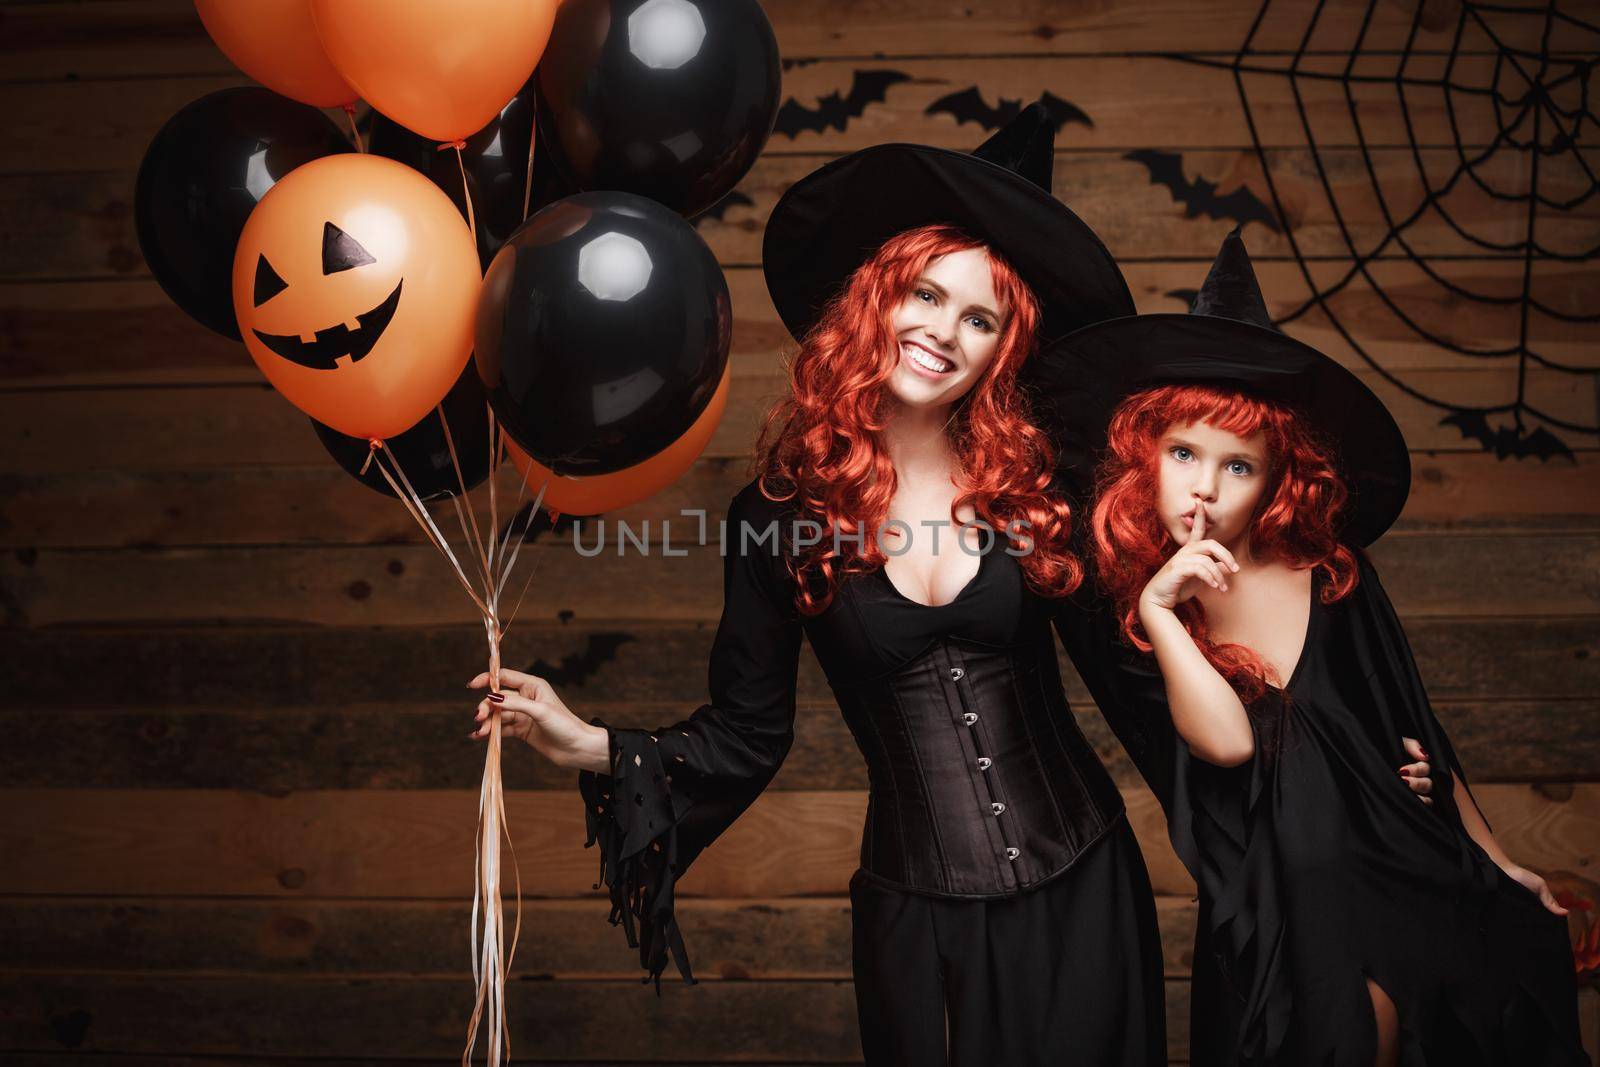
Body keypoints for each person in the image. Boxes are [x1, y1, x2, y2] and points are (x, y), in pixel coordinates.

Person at [467, 104, 1173, 1065]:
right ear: (876, 300)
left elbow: (1144, 669)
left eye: (979, 318)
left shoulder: (1034, 492)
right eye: (924, 295)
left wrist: (1323, 769)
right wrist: (586, 742)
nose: (943, 332)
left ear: (1003, 350)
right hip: (919, 921)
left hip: (1085, 886)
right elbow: (748, 729)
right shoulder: (776, 518)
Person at [1040, 229, 1587, 1066]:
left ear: (1277, 481)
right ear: (1144, 456)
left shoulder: (1333, 575)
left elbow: (1422, 735)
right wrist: (1159, 603)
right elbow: (1224, 743)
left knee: (1473, 997)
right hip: (1279, 900)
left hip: (1397, 863)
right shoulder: (1134, 608)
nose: (1204, 487)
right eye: (1184, 452)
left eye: (1239, 466)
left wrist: (1501, 860)